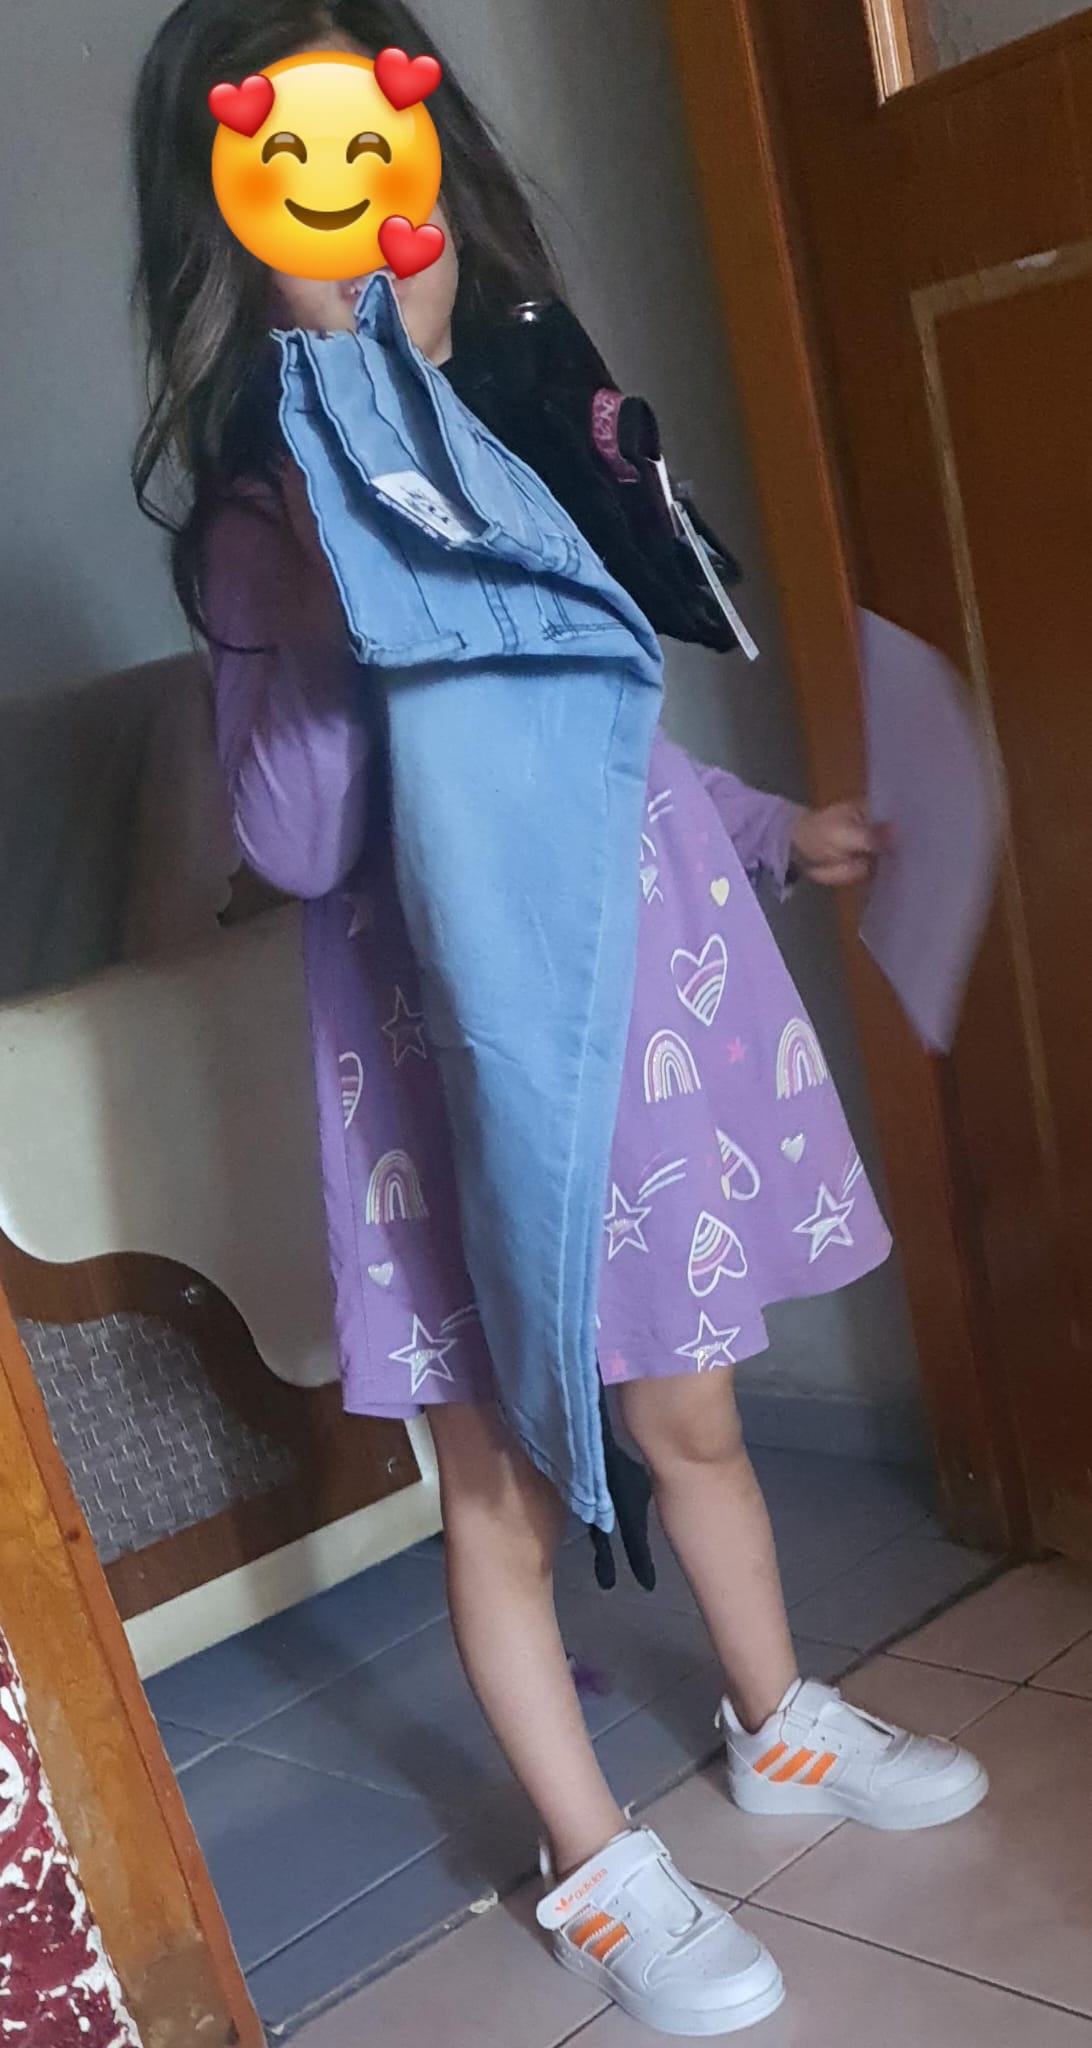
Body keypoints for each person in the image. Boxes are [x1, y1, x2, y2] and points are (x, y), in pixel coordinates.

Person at [132, 3, 989, 2035]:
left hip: (641, 1063)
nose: (354, 208)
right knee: (506, 1489)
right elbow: (298, 836)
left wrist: (783, 833)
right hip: (459, 1092)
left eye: (384, 152)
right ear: (233, 217)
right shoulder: (262, 525)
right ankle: (593, 1858)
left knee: (695, 1419)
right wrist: (340, 581)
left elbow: (616, 746)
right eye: (292, 171)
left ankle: (778, 1716)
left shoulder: (533, 441)